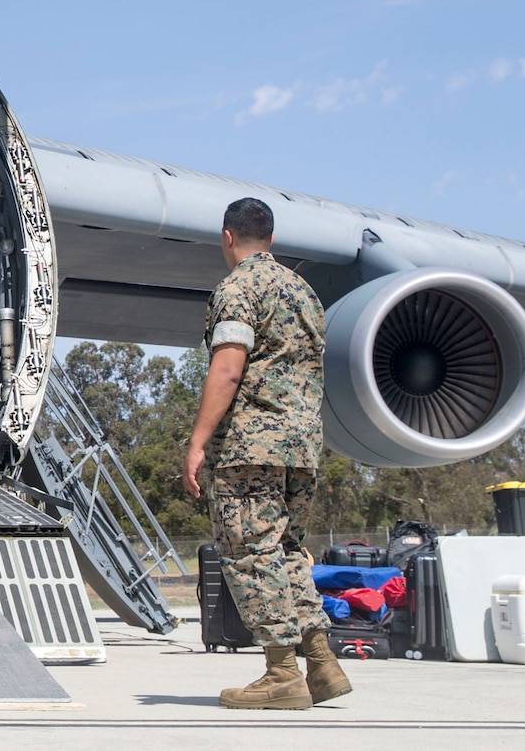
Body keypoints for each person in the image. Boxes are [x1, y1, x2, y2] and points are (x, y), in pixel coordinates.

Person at [181, 197, 349, 711]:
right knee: (288, 551)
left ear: (227, 237)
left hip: (251, 445)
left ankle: (281, 673)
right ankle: (321, 663)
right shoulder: (304, 292)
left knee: (252, 552)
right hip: (302, 447)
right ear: (270, 239)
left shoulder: (238, 289)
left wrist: (198, 441)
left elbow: (229, 369)